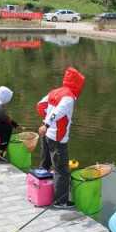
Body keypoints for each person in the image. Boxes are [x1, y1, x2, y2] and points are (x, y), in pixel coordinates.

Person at [37, 67, 85, 208]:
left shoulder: (55, 91)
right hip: (57, 138)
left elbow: (41, 105)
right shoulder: (69, 97)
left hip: (46, 135)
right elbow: (58, 112)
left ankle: (41, 189)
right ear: (77, 84)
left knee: (45, 163)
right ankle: (61, 201)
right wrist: (47, 123)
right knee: (62, 170)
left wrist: (46, 121)